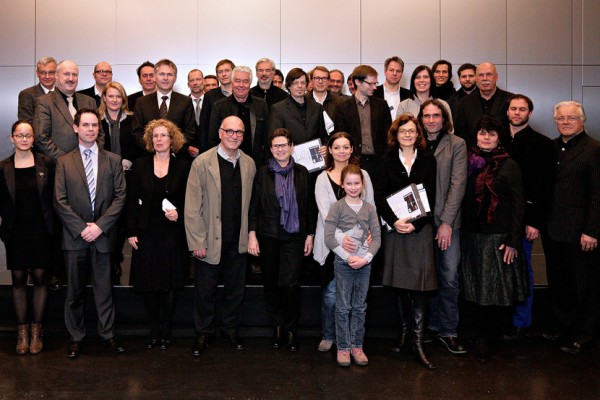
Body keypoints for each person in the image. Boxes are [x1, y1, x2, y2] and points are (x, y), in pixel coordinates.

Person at [54, 109, 127, 359]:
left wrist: (99, 226)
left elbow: (120, 197)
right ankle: (76, 336)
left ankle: (108, 335)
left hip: (104, 236)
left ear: (99, 128)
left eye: (94, 125)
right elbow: (59, 200)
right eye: (85, 125)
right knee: (74, 291)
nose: (90, 129)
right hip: (75, 238)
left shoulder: (113, 160)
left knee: (104, 289)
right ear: (76, 128)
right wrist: (81, 228)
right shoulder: (64, 161)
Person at [185, 116, 256, 356]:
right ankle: (203, 333)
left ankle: (230, 330)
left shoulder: (249, 164)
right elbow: (192, 207)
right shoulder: (202, 163)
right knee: (205, 290)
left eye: (239, 132)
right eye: (230, 131)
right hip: (209, 240)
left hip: (238, 240)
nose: (234, 136)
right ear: (220, 132)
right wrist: (197, 242)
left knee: (235, 290)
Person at [461, 116, 527, 363]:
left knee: (494, 290)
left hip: (498, 236)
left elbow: (519, 205)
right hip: (470, 234)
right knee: (472, 286)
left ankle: (488, 338)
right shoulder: (468, 161)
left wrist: (513, 240)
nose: (486, 137)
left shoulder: (510, 165)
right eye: (482, 133)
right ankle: (475, 334)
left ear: (499, 137)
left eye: (491, 134)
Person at [375, 113, 438, 370]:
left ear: (418, 134)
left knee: (421, 286)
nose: (408, 135)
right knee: (400, 283)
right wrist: (394, 222)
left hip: (420, 229)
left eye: (412, 131)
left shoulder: (428, 159)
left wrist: (416, 223)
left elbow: (432, 195)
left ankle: (418, 341)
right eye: (403, 131)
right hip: (396, 229)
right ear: (395, 135)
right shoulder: (387, 159)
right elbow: (380, 195)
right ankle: (404, 332)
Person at [248, 128, 316, 352]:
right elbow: (254, 206)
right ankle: (277, 327)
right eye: (276, 146)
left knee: (290, 285)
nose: (280, 149)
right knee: (271, 285)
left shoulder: (303, 172)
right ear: (271, 149)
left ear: (291, 147)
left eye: (283, 145)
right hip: (268, 237)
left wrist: (310, 235)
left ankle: (291, 329)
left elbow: (308, 207)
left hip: (295, 238)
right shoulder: (262, 173)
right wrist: (252, 234)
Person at [127, 119, 190, 350]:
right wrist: (131, 231)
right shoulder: (140, 164)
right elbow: (131, 201)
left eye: (164, 135)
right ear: (150, 141)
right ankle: (154, 327)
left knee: (169, 284)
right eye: (155, 136)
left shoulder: (183, 166)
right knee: (149, 283)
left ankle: (166, 327)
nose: (159, 139)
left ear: (172, 140)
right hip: (146, 232)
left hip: (172, 233)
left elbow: (190, 200)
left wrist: (179, 213)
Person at [543, 101, 600, 355]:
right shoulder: (551, 148)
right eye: (561, 118)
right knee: (560, 281)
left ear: (582, 121)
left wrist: (592, 230)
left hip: (581, 232)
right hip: (554, 229)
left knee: (585, 285)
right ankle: (564, 325)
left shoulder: (594, 149)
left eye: (571, 118)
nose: (565, 122)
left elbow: (598, 195)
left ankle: (586, 333)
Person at [313, 132, 375, 353]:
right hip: (332, 245)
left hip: (359, 246)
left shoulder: (363, 175)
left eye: (345, 147)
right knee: (332, 295)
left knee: (356, 298)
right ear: (329, 150)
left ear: (351, 150)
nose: (341, 151)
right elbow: (325, 214)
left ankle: (352, 343)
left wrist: (366, 235)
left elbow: (370, 207)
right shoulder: (322, 178)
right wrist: (343, 239)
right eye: (336, 147)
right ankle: (330, 335)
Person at [0, 121, 55, 355]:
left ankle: (37, 330)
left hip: (41, 230)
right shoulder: (3, 167)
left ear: (34, 139)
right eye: (19, 135)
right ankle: (22, 332)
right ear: (12, 139)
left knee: (41, 277)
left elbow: (52, 198)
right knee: (19, 279)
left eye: (28, 135)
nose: (24, 139)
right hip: (16, 232)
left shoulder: (46, 163)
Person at [503, 94, 555, 340]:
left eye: (522, 109)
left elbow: (543, 187)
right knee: (502, 270)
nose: (516, 113)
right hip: (499, 219)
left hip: (526, 220)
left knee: (523, 269)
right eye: (513, 109)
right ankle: (503, 319)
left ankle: (521, 321)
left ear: (530, 113)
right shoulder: (498, 139)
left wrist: (535, 222)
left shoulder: (541, 144)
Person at [419, 100, 468, 356]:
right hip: (421, 222)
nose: (431, 120)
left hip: (447, 221)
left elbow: (458, 185)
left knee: (448, 276)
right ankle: (431, 326)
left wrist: (447, 223)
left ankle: (449, 330)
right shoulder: (415, 142)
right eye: (426, 115)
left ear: (444, 118)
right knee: (427, 277)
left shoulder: (457, 144)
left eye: (435, 115)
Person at [324, 163, 381, 367]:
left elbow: (377, 238)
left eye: (357, 183)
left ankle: (357, 346)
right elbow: (329, 238)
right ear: (342, 184)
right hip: (343, 263)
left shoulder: (370, 209)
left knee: (359, 307)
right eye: (349, 183)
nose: (353, 187)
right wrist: (348, 257)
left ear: (362, 184)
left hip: (364, 265)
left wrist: (365, 259)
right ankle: (343, 348)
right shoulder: (337, 207)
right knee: (342, 306)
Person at [99, 81, 137, 285]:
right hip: (104, 178)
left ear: (123, 99)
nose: (114, 100)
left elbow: (137, 146)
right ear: (104, 98)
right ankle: (110, 259)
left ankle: (119, 257)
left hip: (127, 175)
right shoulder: (96, 121)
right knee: (107, 217)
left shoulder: (132, 120)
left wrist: (125, 162)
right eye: (110, 96)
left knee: (124, 218)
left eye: (118, 96)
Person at [334, 65, 392, 180]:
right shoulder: (343, 107)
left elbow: (389, 135)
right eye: (370, 83)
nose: (374, 87)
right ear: (357, 82)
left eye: (375, 83)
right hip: (353, 163)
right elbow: (340, 136)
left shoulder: (382, 105)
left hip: (379, 163)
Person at [131, 59, 196, 159]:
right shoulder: (142, 102)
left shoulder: (185, 101)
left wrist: (171, 150)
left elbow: (189, 132)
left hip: (177, 159)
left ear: (175, 78)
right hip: (148, 159)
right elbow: (137, 132)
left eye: (169, 74)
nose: (165, 78)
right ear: (155, 77)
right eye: (161, 74)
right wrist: (154, 151)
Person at [208, 66, 270, 167]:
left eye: (245, 81)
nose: (241, 85)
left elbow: (267, 138)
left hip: (256, 164)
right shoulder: (219, 106)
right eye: (237, 81)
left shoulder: (261, 105)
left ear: (250, 84)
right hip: (226, 163)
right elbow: (213, 140)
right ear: (232, 82)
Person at [455, 62, 513, 148]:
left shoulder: (510, 100)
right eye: (481, 75)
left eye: (489, 74)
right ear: (476, 79)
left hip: (503, 156)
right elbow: (460, 133)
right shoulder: (464, 102)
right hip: (472, 157)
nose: (484, 78)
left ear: (496, 77)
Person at [270, 68, 328, 150]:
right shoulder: (278, 109)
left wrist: (325, 146)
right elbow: (275, 138)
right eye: (295, 83)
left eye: (303, 83)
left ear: (306, 85)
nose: (300, 86)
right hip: (290, 157)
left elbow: (323, 136)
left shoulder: (317, 107)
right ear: (289, 86)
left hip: (314, 157)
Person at [18, 56, 57, 124]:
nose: (47, 76)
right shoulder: (26, 95)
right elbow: (27, 124)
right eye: (43, 73)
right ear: (37, 74)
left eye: (51, 72)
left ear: (56, 74)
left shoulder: (63, 93)